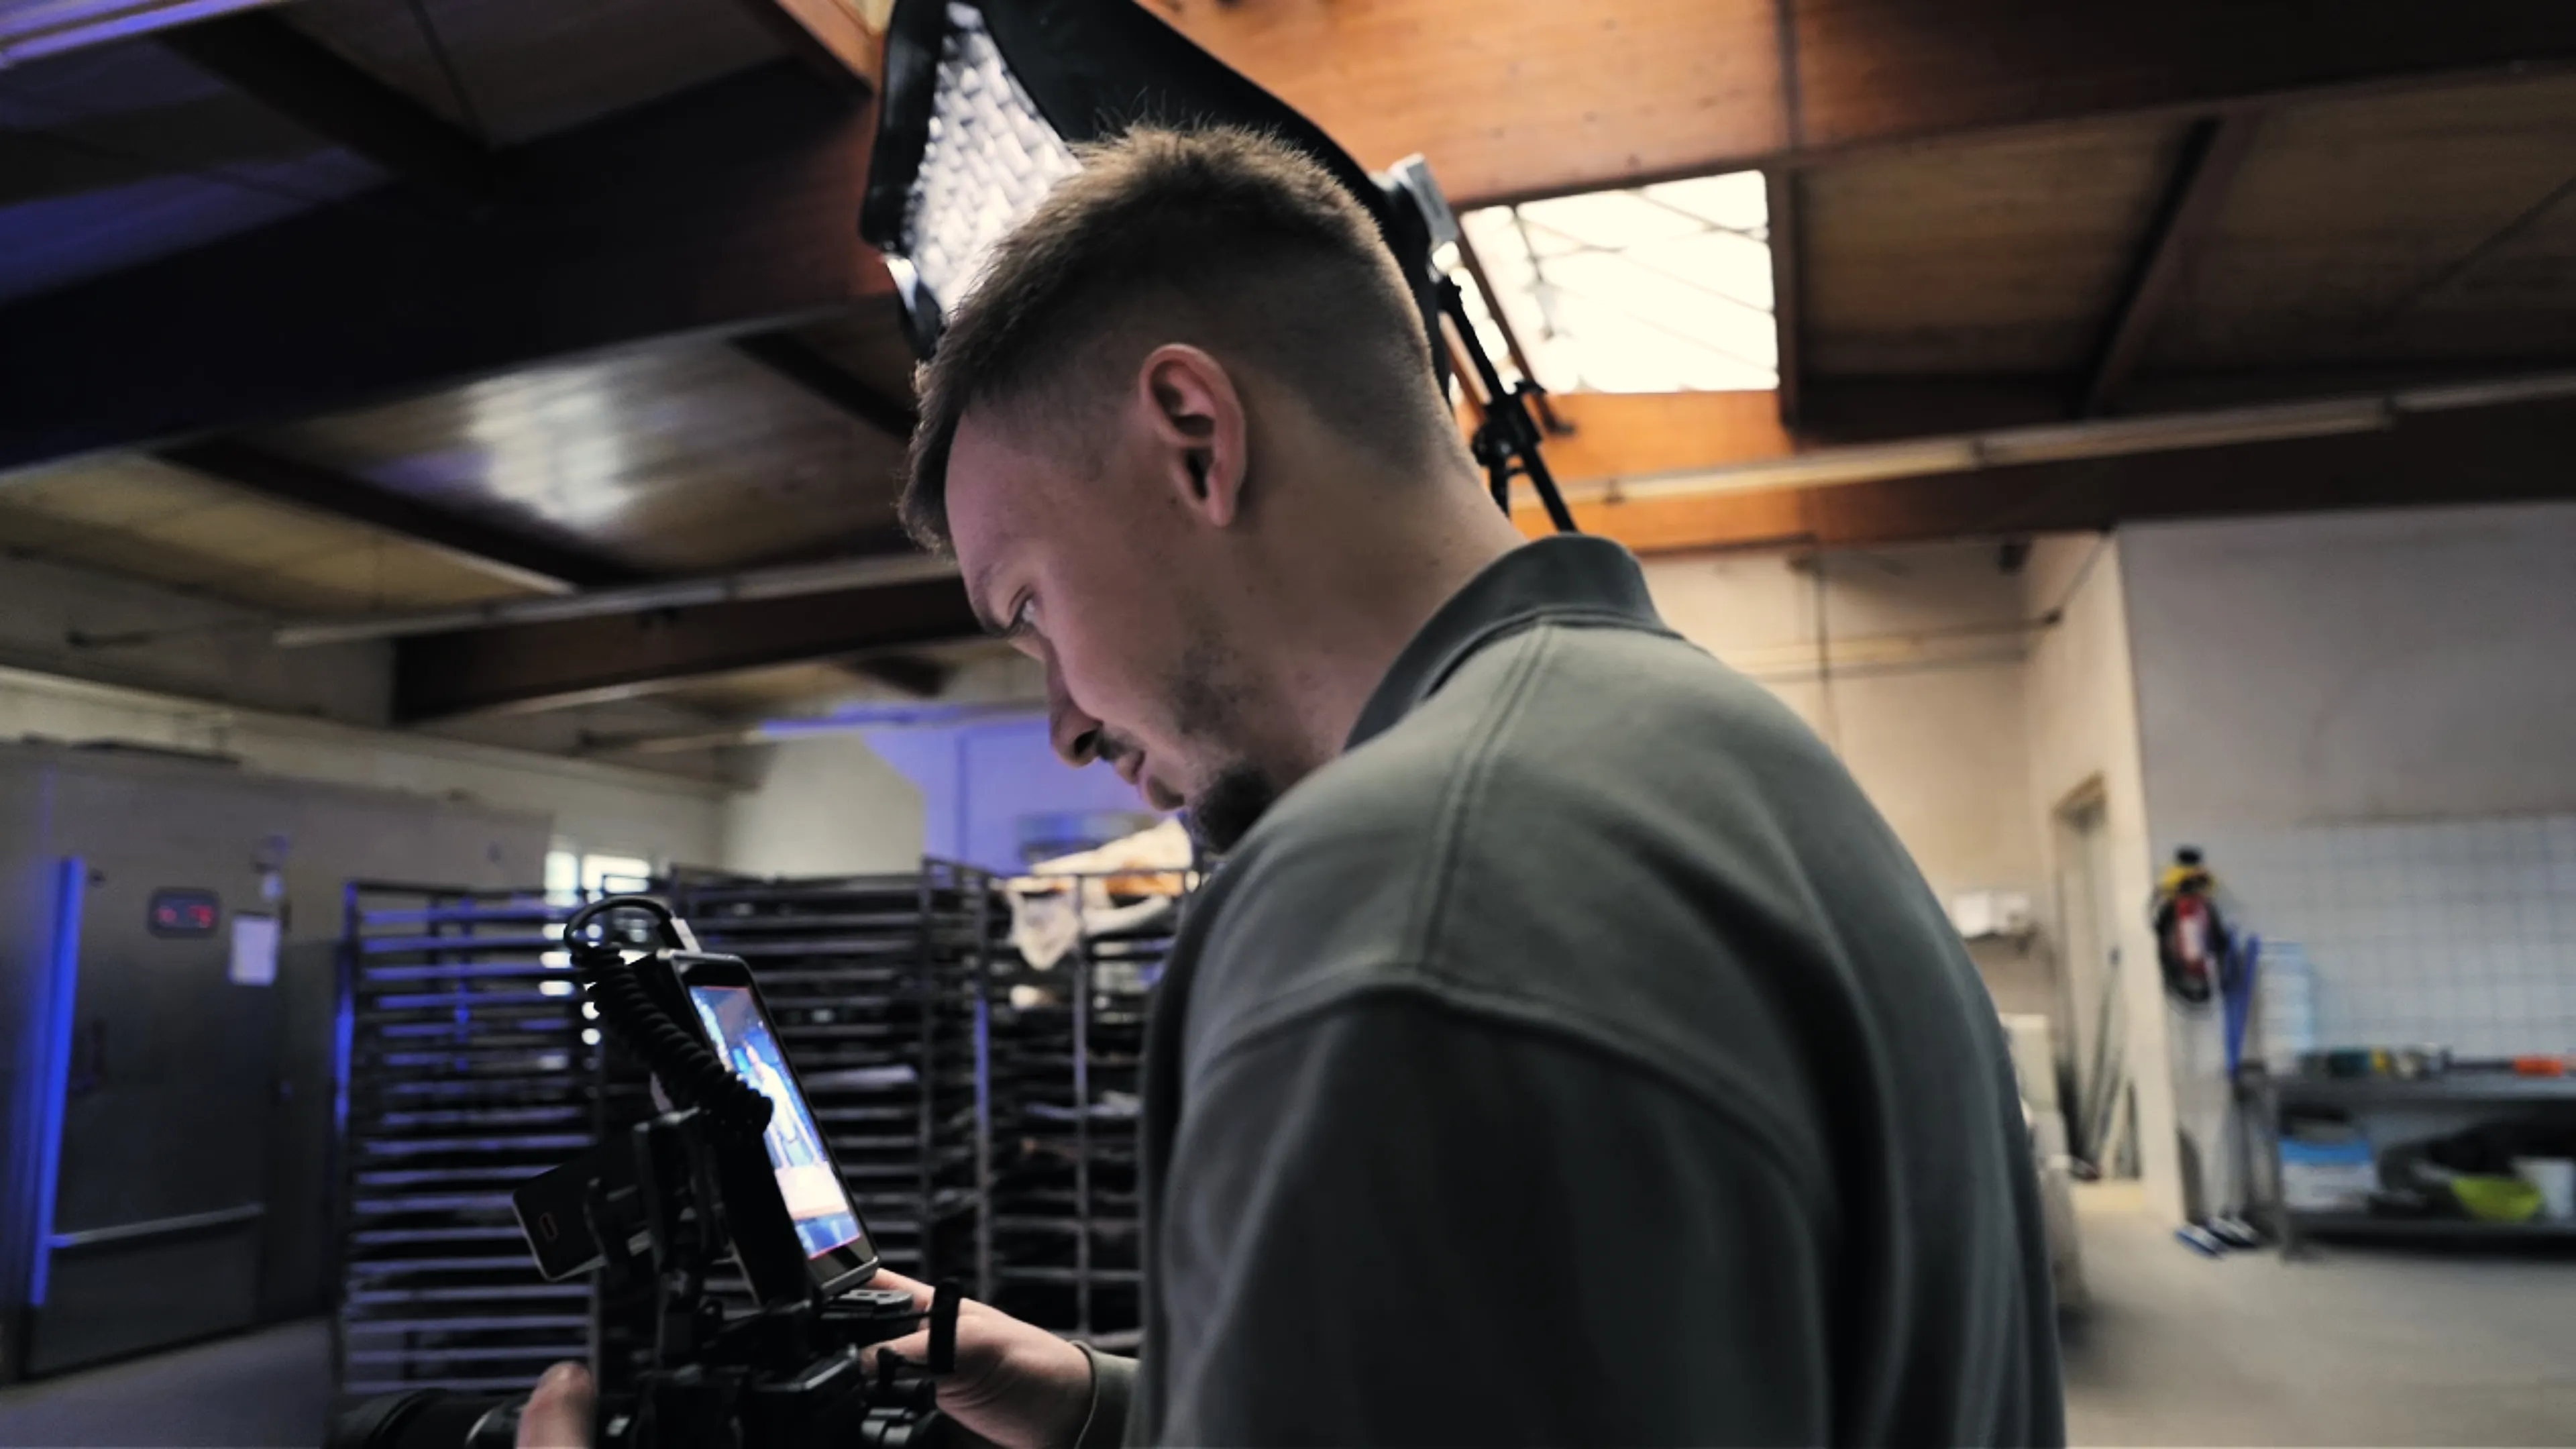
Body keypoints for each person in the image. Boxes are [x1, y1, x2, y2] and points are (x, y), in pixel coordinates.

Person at [523, 127, 2062, 1448]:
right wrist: (1097, 1407)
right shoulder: (1724, 754)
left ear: (1194, 437)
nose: (1063, 724)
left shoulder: (1398, 902)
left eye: (1034, 610)